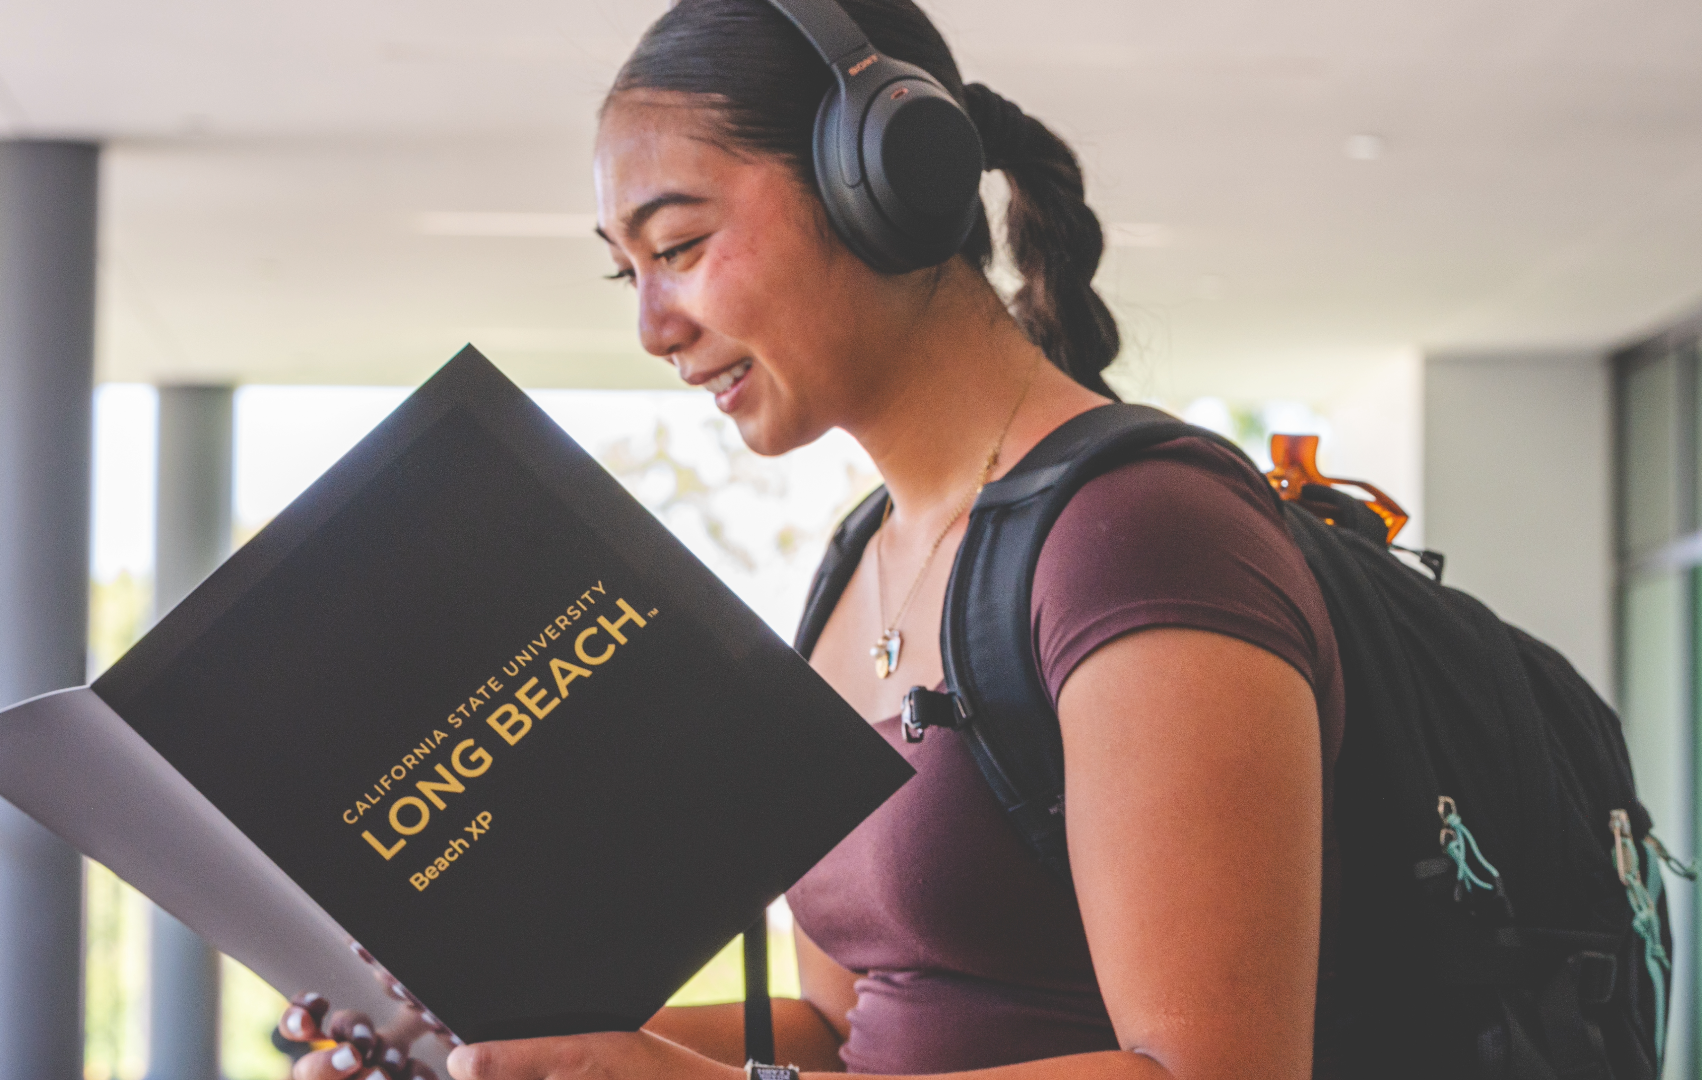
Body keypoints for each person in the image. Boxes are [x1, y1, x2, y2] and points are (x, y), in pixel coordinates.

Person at [277, 1, 1343, 1077]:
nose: (652, 327)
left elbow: (1217, 1070)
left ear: (878, 185)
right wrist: (475, 1050)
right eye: (628, 271)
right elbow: (843, 1033)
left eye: (680, 246)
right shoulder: (855, 567)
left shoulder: (1137, 537)